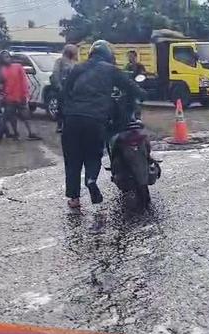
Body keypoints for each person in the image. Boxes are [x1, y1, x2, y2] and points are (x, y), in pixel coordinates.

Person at [62, 40, 146, 209]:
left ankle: (74, 198)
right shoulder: (110, 69)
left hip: (72, 119)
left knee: (72, 159)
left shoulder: (78, 68)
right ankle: (91, 179)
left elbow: (64, 92)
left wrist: (65, 114)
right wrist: (143, 94)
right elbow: (131, 87)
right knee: (93, 154)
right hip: (95, 118)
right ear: (108, 55)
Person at [0, 50, 41, 141]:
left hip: (20, 96)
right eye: (4, 57)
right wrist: (1, 91)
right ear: (2, 60)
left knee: (26, 115)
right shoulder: (2, 70)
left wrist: (25, 94)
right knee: (12, 117)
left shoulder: (18, 67)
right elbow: (1, 84)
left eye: (8, 57)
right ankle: (16, 133)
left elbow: (24, 81)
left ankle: (31, 133)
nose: (7, 59)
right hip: (9, 97)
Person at [51, 44, 78, 133]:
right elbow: (56, 73)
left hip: (72, 88)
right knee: (61, 107)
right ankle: (59, 125)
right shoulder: (60, 61)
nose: (75, 52)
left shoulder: (74, 62)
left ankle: (68, 125)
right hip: (63, 87)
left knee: (70, 107)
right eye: (74, 51)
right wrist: (58, 85)